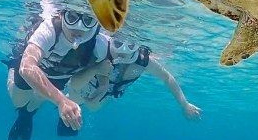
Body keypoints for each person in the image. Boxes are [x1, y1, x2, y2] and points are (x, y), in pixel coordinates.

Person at [5, 0, 110, 140]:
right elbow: (26, 67)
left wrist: (103, 84)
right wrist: (62, 101)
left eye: (88, 20)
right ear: (61, 14)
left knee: (42, 95)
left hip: (59, 75)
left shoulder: (100, 42)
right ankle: (24, 112)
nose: (79, 27)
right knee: (19, 102)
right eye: (72, 18)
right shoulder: (50, 29)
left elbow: (105, 64)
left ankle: (29, 115)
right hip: (31, 70)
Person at [68, 37, 202, 120]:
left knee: (93, 108)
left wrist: (185, 104)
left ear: (138, 47)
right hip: (82, 89)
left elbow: (167, 77)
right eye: (119, 43)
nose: (123, 50)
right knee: (72, 102)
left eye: (131, 45)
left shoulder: (143, 61)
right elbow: (74, 82)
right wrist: (96, 69)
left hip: (106, 96)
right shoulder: (102, 50)